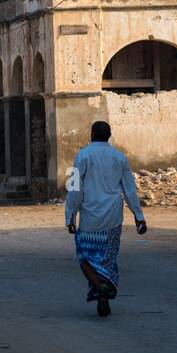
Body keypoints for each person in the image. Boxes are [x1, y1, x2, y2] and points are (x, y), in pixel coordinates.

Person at [64, 120, 147, 317]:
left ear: (92, 134)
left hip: (90, 218)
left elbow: (75, 189)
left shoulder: (82, 156)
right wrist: (139, 216)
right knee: (108, 258)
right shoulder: (120, 158)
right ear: (109, 136)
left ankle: (98, 286)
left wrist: (70, 216)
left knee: (84, 257)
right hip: (112, 217)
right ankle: (104, 288)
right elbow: (129, 190)